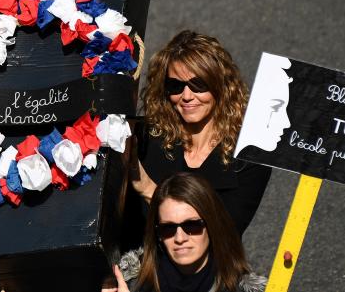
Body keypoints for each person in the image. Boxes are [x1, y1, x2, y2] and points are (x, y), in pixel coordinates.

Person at [128, 31, 271, 238]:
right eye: (176, 86)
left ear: (220, 85)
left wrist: (149, 189)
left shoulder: (249, 156)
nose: (186, 96)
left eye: (198, 85)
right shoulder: (147, 139)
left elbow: (221, 236)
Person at [108, 173, 265, 292]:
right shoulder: (128, 284)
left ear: (211, 225)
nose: (180, 238)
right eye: (168, 228)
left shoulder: (241, 288)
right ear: (157, 233)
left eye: (192, 226)